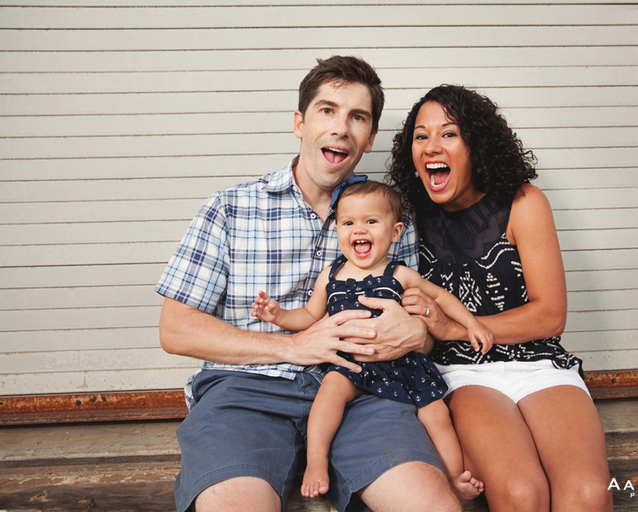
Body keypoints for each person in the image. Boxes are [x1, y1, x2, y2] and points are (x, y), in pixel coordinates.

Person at [156, 57, 463, 512]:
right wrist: (293, 345)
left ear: (369, 137)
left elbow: (420, 320)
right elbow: (176, 330)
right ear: (300, 122)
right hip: (248, 395)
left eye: (357, 117)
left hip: (370, 389)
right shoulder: (230, 208)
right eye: (327, 110)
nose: (341, 127)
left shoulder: (390, 217)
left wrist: (418, 334)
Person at [388, 84, 614, 512]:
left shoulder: (524, 203)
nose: (432, 145)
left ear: (477, 144)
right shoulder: (407, 217)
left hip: (540, 363)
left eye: (449, 133)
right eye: (421, 135)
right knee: (521, 493)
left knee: (587, 494)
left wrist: (454, 326)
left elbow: (550, 316)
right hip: (462, 373)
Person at [251, 179, 491, 501]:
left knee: (437, 414)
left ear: (395, 232)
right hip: (351, 361)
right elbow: (309, 317)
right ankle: (317, 461)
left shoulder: (399, 274)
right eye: (348, 222)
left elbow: (442, 297)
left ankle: (454, 478)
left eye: (371, 221)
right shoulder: (331, 275)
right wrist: (278, 316)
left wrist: (471, 323)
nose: (359, 230)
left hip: (404, 363)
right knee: (329, 393)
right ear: (337, 229)